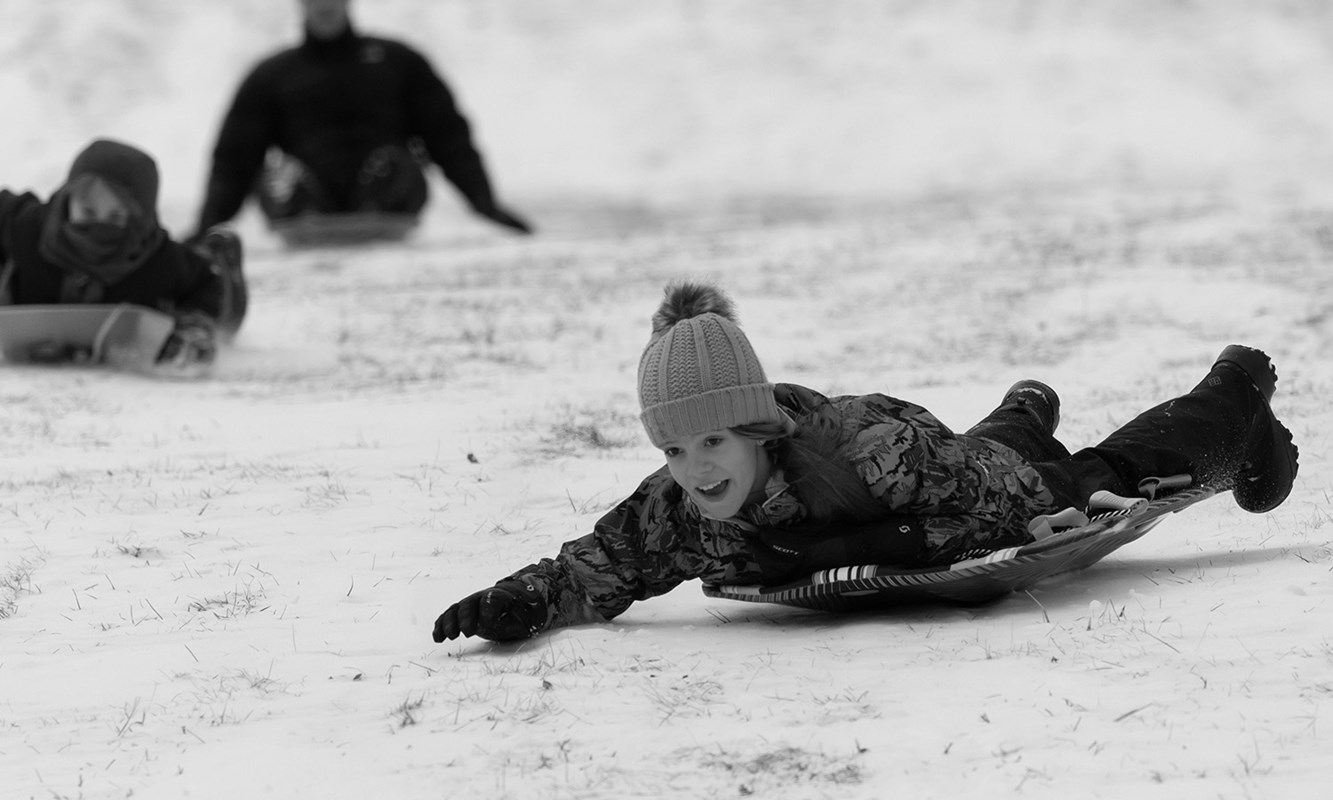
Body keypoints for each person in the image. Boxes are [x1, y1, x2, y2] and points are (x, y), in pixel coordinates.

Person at [431, 282, 1299, 643]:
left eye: (712, 443)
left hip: (944, 471)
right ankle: (1023, 409)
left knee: (1074, 478)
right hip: (949, 465)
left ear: (757, 432)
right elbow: (604, 561)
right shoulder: (684, 508)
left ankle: (1234, 396)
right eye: (674, 448)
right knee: (993, 448)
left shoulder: (860, 450)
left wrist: (891, 541)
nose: (696, 469)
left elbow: (993, 510)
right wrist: (522, 600)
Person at [192, 0, 531, 239]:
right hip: (303, 205)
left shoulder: (399, 61)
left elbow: (449, 137)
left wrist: (485, 204)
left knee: (393, 162)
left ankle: (373, 205)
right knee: (280, 171)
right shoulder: (272, 75)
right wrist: (207, 224)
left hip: (387, 196)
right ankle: (313, 212)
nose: (324, 5)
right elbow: (235, 158)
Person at [0, 138, 247, 369]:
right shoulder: (29, 228)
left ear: (140, 221)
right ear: (67, 201)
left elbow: (205, 284)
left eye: (115, 217)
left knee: (225, 309)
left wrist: (194, 327)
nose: (98, 225)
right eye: (87, 212)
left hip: (140, 316)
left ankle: (223, 258)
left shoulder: (157, 258)